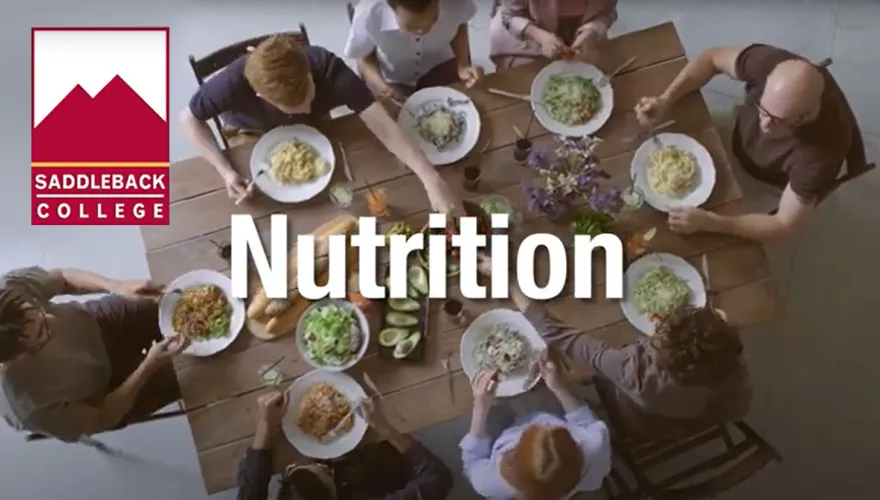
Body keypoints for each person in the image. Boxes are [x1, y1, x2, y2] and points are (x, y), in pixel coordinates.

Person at [181, 34, 460, 214]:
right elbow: (189, 119)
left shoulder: (327, 66)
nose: (303, 108)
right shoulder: (231, 83)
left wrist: (431, 178)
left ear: (308, 72)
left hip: (319, 127)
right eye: (292, 107)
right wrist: (226, 172)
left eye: (308, 95)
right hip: (250, 132)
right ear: (260, 95)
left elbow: (383, 125)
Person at [635, 44, 868, 242]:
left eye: (777, 120)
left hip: (764, 178)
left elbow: (785, 225)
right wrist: (665, 99)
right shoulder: (770, 63)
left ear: (804, 115)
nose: (764, 124)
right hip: (737, 136)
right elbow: (712, 58)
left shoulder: (820, 155)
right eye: (762, 109)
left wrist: (713, 223)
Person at [0, 266, 184, 442]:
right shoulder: (32, 409)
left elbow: (63, 279)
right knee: (190, 372)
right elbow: (102, 417)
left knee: (171, 303)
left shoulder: (8, 292)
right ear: (14, 360)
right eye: (43, 332)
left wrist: (116, 286)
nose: (53, 319)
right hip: (106, 393)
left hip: (95, 322)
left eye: (38, 310)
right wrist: (147, 367)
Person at [538, 306, 751, 441]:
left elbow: (561, 336)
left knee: (593, 372)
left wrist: (516, 290)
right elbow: (738, 411)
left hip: (639, 424)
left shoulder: (633, 370)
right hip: (688, 422)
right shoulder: (732, 368)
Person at [237, 390, 454, 500]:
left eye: (291, 470)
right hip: (379, 470)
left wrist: (266, 423)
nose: (322, 463)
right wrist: (385, 429)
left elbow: (250, 490)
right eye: (324, 471)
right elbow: (439, 478)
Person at [460, 357, 610, 500]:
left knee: (474, 408)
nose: (544, 423)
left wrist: (480, 405)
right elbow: (585, 421)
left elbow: (472, 460)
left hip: (504, 428)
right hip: (545, 409)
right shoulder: (594, 446)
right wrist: (558, 387)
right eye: (551, 427)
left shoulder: (493, 483)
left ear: (513, 457)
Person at [345, 0, 484, 102]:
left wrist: (463, 64)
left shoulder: (456, 3)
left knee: (464, 104)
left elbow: (459, 24)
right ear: (390, 8)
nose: (423, 31)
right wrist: (382, 87)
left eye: (433, 19)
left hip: (440, 65)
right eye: (410, 27)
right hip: (394, 78)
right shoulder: (368, 13)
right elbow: (364, 57)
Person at [490, 0, 618, 68]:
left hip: (586, 41)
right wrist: (540, 37)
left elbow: (608, 13)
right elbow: (510, 16)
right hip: (525, 41)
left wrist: (592, 31)